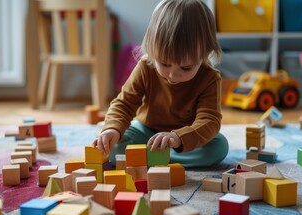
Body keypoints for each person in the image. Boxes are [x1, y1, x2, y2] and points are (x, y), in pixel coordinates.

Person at [93, 0, 228, 167]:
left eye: (186, 67)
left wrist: (178, 138)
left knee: (219, 147)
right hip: (146, 131)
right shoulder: (145, 66)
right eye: (164, 64)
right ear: (152, 48)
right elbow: (124, 103)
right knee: (115, 146)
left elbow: (209, 121)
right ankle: (161, 157)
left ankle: (157, 158)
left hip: (184, 137)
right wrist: (112, 129)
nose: (172, 74)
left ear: (205, 54)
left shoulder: (209, 78)